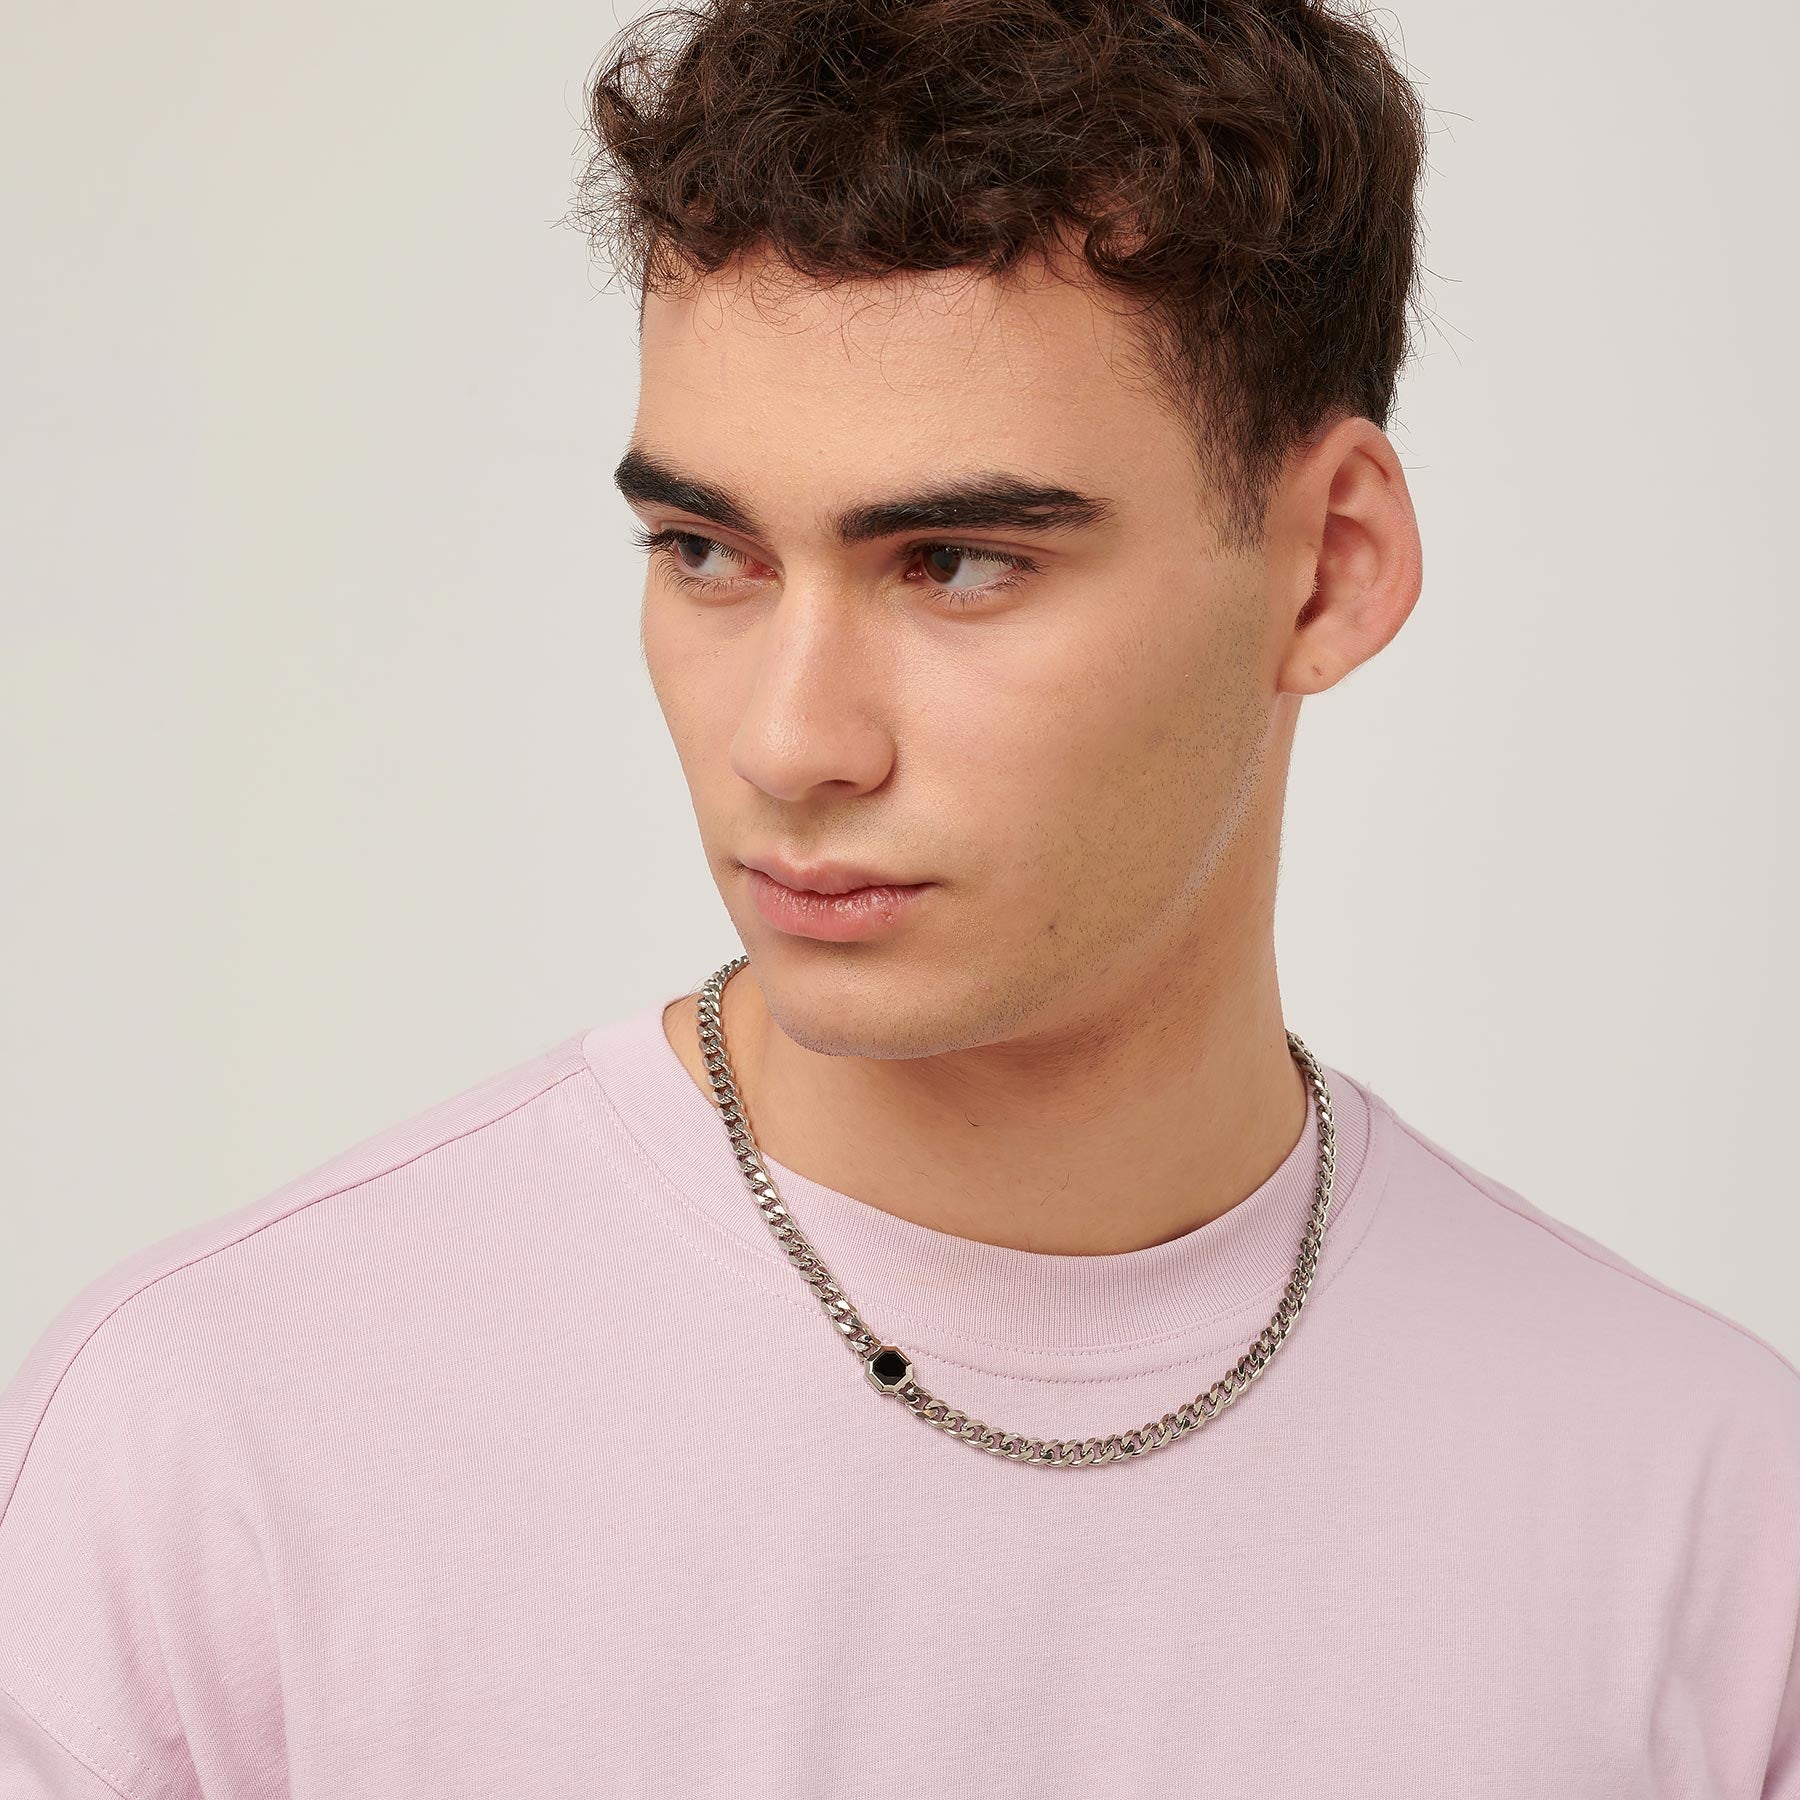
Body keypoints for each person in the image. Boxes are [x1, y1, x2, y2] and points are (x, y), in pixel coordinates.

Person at [4, 0, 1798, 1792]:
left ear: (1328, 568)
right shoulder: (227, 1444)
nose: (790, 743)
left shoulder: (1709, 1518)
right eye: (706, 550)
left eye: (956, 564)